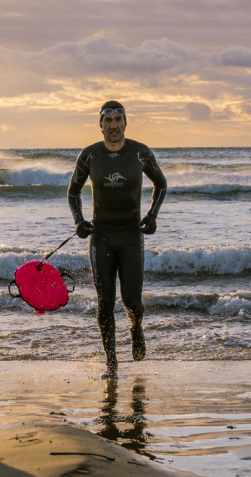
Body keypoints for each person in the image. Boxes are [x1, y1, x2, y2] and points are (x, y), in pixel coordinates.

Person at [68, 101, 167, 379]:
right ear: (100, 125)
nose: (113, 125)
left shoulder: (140, 152)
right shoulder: (89, 155)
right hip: (101, 236)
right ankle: (111, 363)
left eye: (118, 119)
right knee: (105, 303)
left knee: (132, 300)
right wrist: (79, 221)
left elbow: (161, 184)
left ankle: (136, 329)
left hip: (131, 235)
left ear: (126, 123)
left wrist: (152, 215)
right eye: (107, 120)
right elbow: (73, 192)